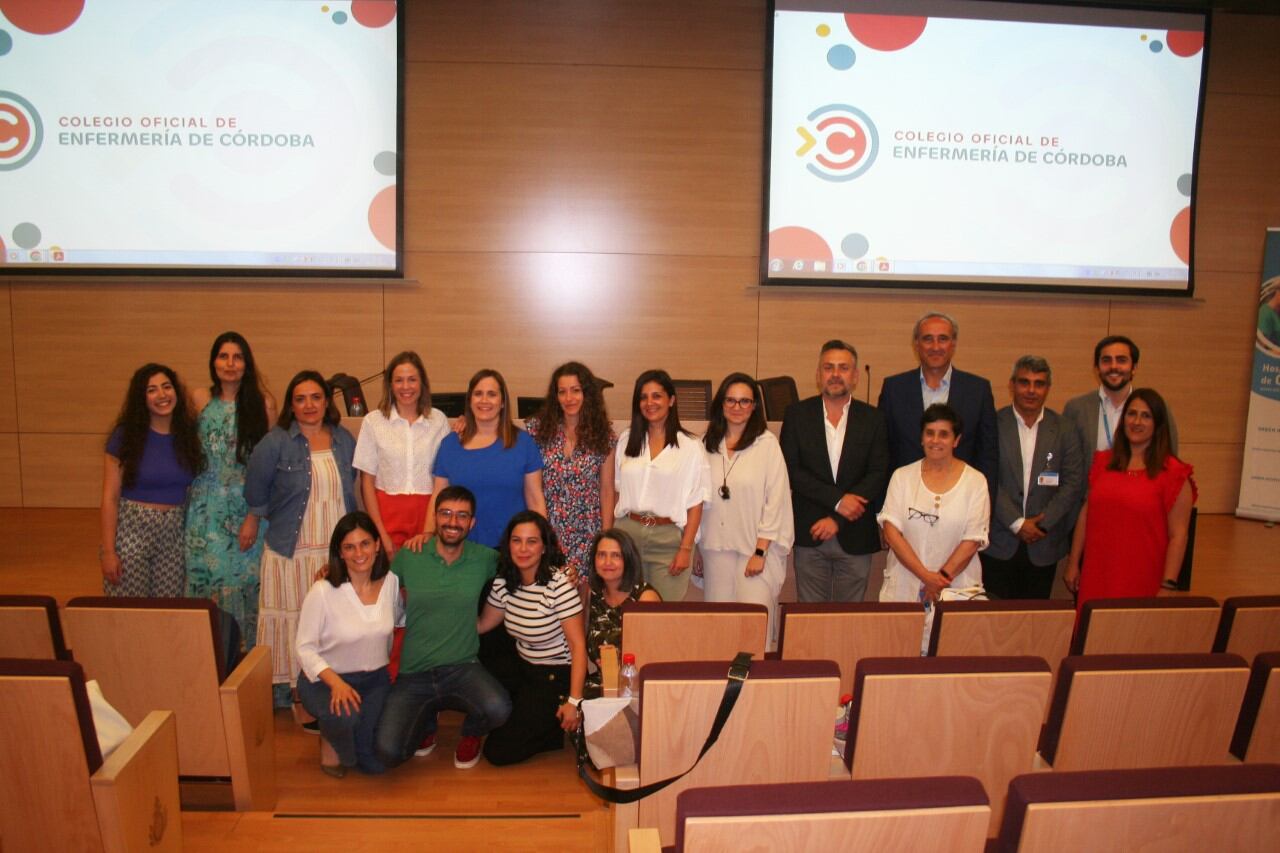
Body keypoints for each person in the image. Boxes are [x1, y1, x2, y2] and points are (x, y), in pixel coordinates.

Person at [375, 486, 512, 770]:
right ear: (435, 517)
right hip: (414, 673)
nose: (453, 522)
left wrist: (565, 575)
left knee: (499, 709)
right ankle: (426, 721)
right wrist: (333, 575)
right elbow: (372, 584)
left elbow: (524, 566)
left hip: (462, 668)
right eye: (446, 514)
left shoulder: (484, 558)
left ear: (472, 523)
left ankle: (471, 732)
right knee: (389, 752)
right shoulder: (410, 555)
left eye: (462, 516)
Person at [244, 371, 357, 710]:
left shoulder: (343, 439)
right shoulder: (275, 442)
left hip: (334, 551)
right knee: (297, 621)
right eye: (300, 399)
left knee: (332, 623)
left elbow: (353, 486)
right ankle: (299, 697)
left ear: (327, 401)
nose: (309, 405)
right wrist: (252, 519)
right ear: (291, 406)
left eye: (316, 397)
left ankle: (331, 691)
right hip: (292, 550)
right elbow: (255, 490)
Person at [780, 340, 890, 603]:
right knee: (809, 618)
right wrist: (838, 502)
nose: (835, 374)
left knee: (848, 620)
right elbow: (791, 471)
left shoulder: (874, 418)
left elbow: (878, 472)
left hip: (856, 531)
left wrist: (838, 518)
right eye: (829, 367)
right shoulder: (797, 414)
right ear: (819, 374)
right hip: (810, 530)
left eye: (843, 368)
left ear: (855, 376)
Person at [185, 332, 277, 645]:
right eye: (223, 356)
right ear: (213, 362)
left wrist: (254, 515)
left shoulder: (263, 404)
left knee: (244, 586)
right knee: (206, 582)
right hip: (204, 508)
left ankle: (245, 672)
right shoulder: (199, 399)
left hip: (246, 506)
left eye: (237, 357)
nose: (230, 364)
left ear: (247, 363)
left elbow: (267, 467)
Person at [1065, 389, 1196, 607]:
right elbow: (1087, 514)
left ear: (1158, 424)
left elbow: (1179, 536)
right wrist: (1073, 563)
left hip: (1143, 579)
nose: (1136, 422)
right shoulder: (1103, 462)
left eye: (1146, 416)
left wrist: (1168, 585)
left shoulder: (1174, 473)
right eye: (1131, 414)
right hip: (1097, 575)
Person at [295, 512, 400, 777]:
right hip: (327, 680)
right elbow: (304, 648)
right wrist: (336, 683)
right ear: (340, 553)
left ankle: (347, 736)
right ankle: (330, 738)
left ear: (377, 545)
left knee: (375, 764)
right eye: (349, 547)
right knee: (347, 733)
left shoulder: (391, 583)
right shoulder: (323, 590)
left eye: (365, 543)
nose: (358, 553)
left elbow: (397, 619)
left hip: (375, 680)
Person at [477, 511, 586, 765]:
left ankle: (553, 726)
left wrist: (574, 701)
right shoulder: (504, 582)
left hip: (555, 674)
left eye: (532, 541)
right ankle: (541, 720)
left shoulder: (559, 584)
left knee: (497, 751)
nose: (523, 549)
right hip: (523, 667)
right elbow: (482, 625)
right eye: (517, 541)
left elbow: (578, 647)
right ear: (508, 545)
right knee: (489, 649)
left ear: (545, 547)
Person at [700, 373, 793, 646]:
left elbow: (776, 501)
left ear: (754, 406)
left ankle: (755, 688)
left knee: (752, 633)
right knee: (719, 631)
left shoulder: (767, 445)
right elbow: (699, 499)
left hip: (754, 553)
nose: (737, 407)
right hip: (715, 550)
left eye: (744, 401)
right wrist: (696, 546)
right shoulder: (706, 445)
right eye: (730, 400)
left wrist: (761, 550)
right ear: (721, 404)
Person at [981, 356, 1084, 600]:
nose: (1031, 390)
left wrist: (1041, 524)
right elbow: (985, 478)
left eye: (1039, 384)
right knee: (994, 622)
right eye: (1024, 382)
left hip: (1043, 543)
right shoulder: (994, 424)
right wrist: (1017, 522)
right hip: (999, 540)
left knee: (1035, 622)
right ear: (1012, 385)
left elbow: (1072, 483)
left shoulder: (1064, 429)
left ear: (1048, 388)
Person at [100, 363, 205, 596]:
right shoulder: (125, 436)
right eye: (152, 390)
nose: (162, 395)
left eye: (166, 387)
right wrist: (108, 552)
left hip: (173, 537)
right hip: (132, 533)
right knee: (129, 611)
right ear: (141, 398)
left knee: (167, 613)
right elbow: (110, 498)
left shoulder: (188, 435)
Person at [612, 369, 711, 602]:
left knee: (664, 617)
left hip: (669, 541)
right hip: (628, 534)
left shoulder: (691, 446)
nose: (649, 403)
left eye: (657, 396)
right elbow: (617, 491)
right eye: (643, 397)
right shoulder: (626, 439)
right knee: (626, 612)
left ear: (671, 400)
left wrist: (686, 549)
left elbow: (696, 503)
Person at [877, 404, 990, 604]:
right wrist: (926, 576)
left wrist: (940, 580)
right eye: (929, 433)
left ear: (956, 440)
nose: (935, 440)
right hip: (905, 585)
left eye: (944, 434)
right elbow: (891, 533)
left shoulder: (975, 481)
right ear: (921, 437)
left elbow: (972, 540)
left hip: (957, 587)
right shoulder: (902, 477)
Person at [878, 312, 998, 500]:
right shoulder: (894, 388)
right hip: (906, 501)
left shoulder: (978, 390)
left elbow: (988, 456)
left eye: (943, 339)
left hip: (961, 502)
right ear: (916, 344)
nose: (935, 347)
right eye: (928, 339)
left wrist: (985, 508)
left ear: (953, 343)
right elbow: (883, 454)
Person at [420, 369, 545, 549]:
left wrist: (542, 542)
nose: (484, 400)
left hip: (513, 550)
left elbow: (535, 500)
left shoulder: (523, 443)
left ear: (502, 402)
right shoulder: (450, 445)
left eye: (492, 394)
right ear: (470, 400)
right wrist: (428, 534)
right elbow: (438, 497)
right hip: (463, 550)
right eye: (478, 394)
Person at [524, 361, 617, 582]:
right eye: (562, 392)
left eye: (576, 390)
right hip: (549, 528)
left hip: (588, 530)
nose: (569, 398)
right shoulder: (536, 430)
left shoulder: (604, 435)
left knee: (582, 600)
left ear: (587, 394)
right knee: (549, 595)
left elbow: (606, 490)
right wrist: (543, 535)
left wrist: (604, 538)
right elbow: (532, 487)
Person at [353, 351, 449, 558]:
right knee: (390, 584)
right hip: (386, 516)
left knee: (422, 584)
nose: (406, 387)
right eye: (399, 380)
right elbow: (366, 482)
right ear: (390, 385)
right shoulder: (373, 422)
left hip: (428, 515)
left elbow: (446, 475)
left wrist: (429, 530)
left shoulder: (439, 420)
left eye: (412, 380)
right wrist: (380, 533)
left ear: (422, 383)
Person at [1063, 335, 1180, 459]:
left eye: (1121, 360)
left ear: (1134, 368)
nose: (1113, 366)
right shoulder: (1076, 409)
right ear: (1097, 368)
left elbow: (1169, 456)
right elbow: (1067, 460)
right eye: (1106, 360)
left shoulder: (1154, 406)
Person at [583, 529, 660, 699]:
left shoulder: (645, 598)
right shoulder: (590, 594)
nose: (607, 562)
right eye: (601, 555)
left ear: (628, 560)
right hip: (599, 684)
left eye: (616, 556)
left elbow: (656, 653)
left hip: (636, 687)